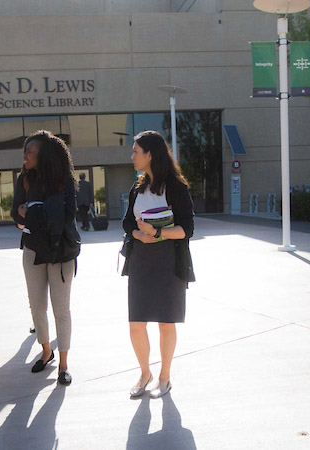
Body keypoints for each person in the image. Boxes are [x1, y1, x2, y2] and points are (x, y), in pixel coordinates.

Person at [121, 130, 195, 399]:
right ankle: (145, 372)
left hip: (169, 262)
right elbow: (127, 222)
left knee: (166, 322)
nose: (132, 157)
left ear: (149, 154)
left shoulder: (176, 187)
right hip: (140, 260)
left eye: (135, 151)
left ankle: (164, 376)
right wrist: (138, 233)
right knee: (136, 323)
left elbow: (187, 228)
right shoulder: (137, 187)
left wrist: (159, 233)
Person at [11, 130, 81, 386]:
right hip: (32, 250)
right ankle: (46, 351)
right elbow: (15, 215)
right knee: (37, 306)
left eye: (30, 151)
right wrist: (36, 214)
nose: (25, 156)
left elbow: (68, 216)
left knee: (61, 309)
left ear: (45, 155)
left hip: (61, 252)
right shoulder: (25, 180)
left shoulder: (64, 180)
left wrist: (30, 213)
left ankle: (63, 363)